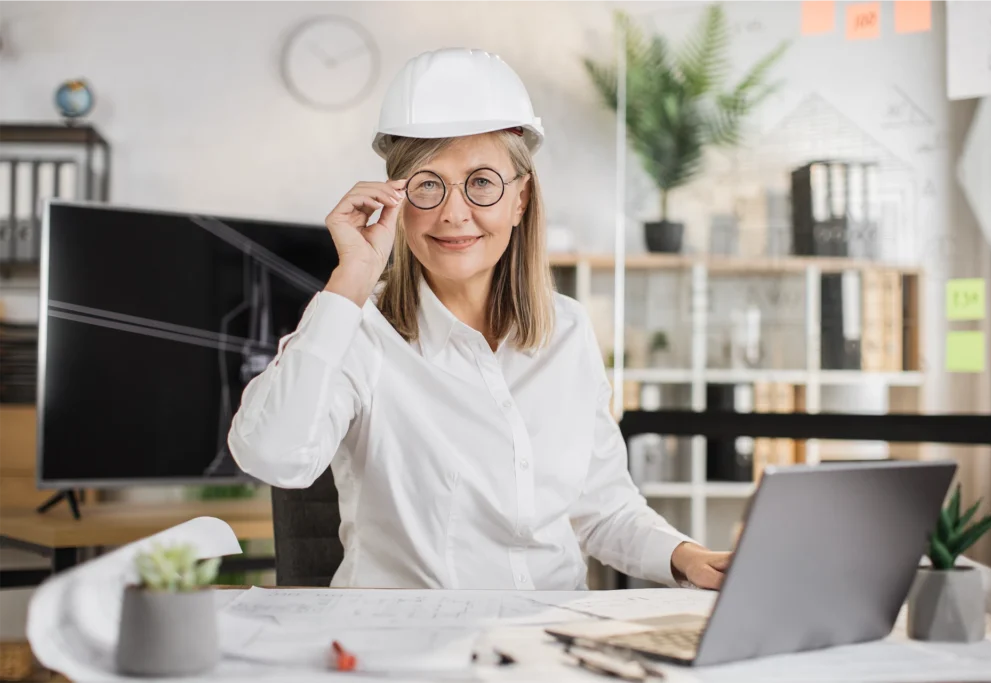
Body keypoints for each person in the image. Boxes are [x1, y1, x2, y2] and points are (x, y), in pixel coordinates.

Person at [228, 47, 731, 591]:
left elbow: (603, 506)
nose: (453, 211)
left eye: (483, 181)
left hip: (552, 640)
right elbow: (272, 457)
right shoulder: (360, 332)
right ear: (395, 197)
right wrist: (351, 276)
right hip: (409, 649)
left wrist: (686, 556)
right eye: (427, 183)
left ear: (520, 199)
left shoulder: (567, 330)